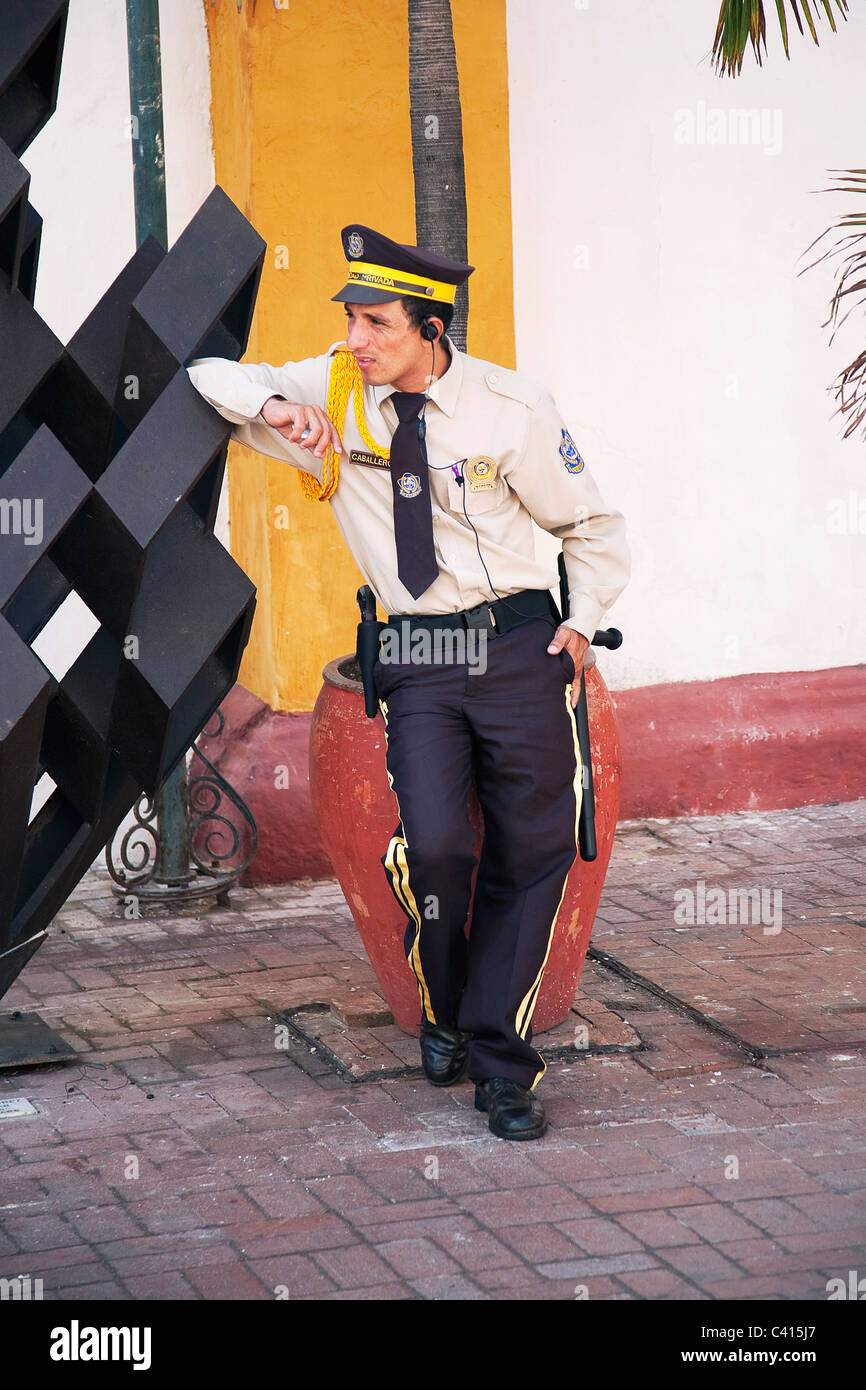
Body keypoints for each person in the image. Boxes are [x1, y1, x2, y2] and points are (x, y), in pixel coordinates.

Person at [187, 224, 630, 1141]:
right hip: (419, 655)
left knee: (531, 849)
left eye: (376, 322)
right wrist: (277, 410)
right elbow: (209, 375)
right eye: (349, 319)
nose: (356, 338)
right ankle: (445, 1005)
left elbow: (590, 525)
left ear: (430, 328)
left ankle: (503, 1065)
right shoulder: (334, 388)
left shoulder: (511, 406)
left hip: (517, 646)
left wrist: (580, 623)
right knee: (433, 849)